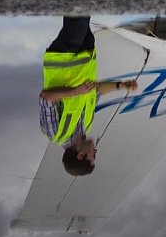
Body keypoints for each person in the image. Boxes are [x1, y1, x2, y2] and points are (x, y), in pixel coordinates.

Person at [38, 15, 139, 176]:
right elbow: (96, 91)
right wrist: (121, 85)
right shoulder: (86, 125)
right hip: (85, 58)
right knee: (83, 16)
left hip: (64, 58)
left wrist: (75, 92)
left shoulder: (55, 133)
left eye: (93, 155)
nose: (95, 150)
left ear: (80, 155)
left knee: (78, 16)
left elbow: (46, 97)